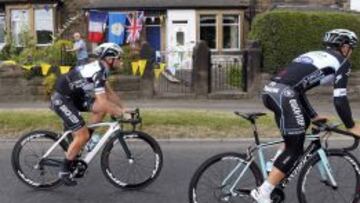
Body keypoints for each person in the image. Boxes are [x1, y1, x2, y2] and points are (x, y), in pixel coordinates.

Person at [251, 29, 360, 203]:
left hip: (272, 91)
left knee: (298, 131)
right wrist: (351, 126)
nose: (351, 52)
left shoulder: (312, 54)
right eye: (352, 48)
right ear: (344, 47)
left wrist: (313, 116)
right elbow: (340, 100)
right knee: (295, 149)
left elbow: (298, 89)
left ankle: (275, 164)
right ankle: (263, 193)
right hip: (285, 94)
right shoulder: (342, 62)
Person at [50, 43, 126, 186]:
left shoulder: (102, 69)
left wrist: (124, 109)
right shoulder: (99, 70)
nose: (121, 61)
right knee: (82, 134)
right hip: (62, 99)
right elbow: (103, 101)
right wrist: (120, 113)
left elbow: (110, 94)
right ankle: (64, 170)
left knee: (101, 110)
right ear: (110, 59)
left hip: (74, 97)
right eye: (119, 58)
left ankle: (87, 140)